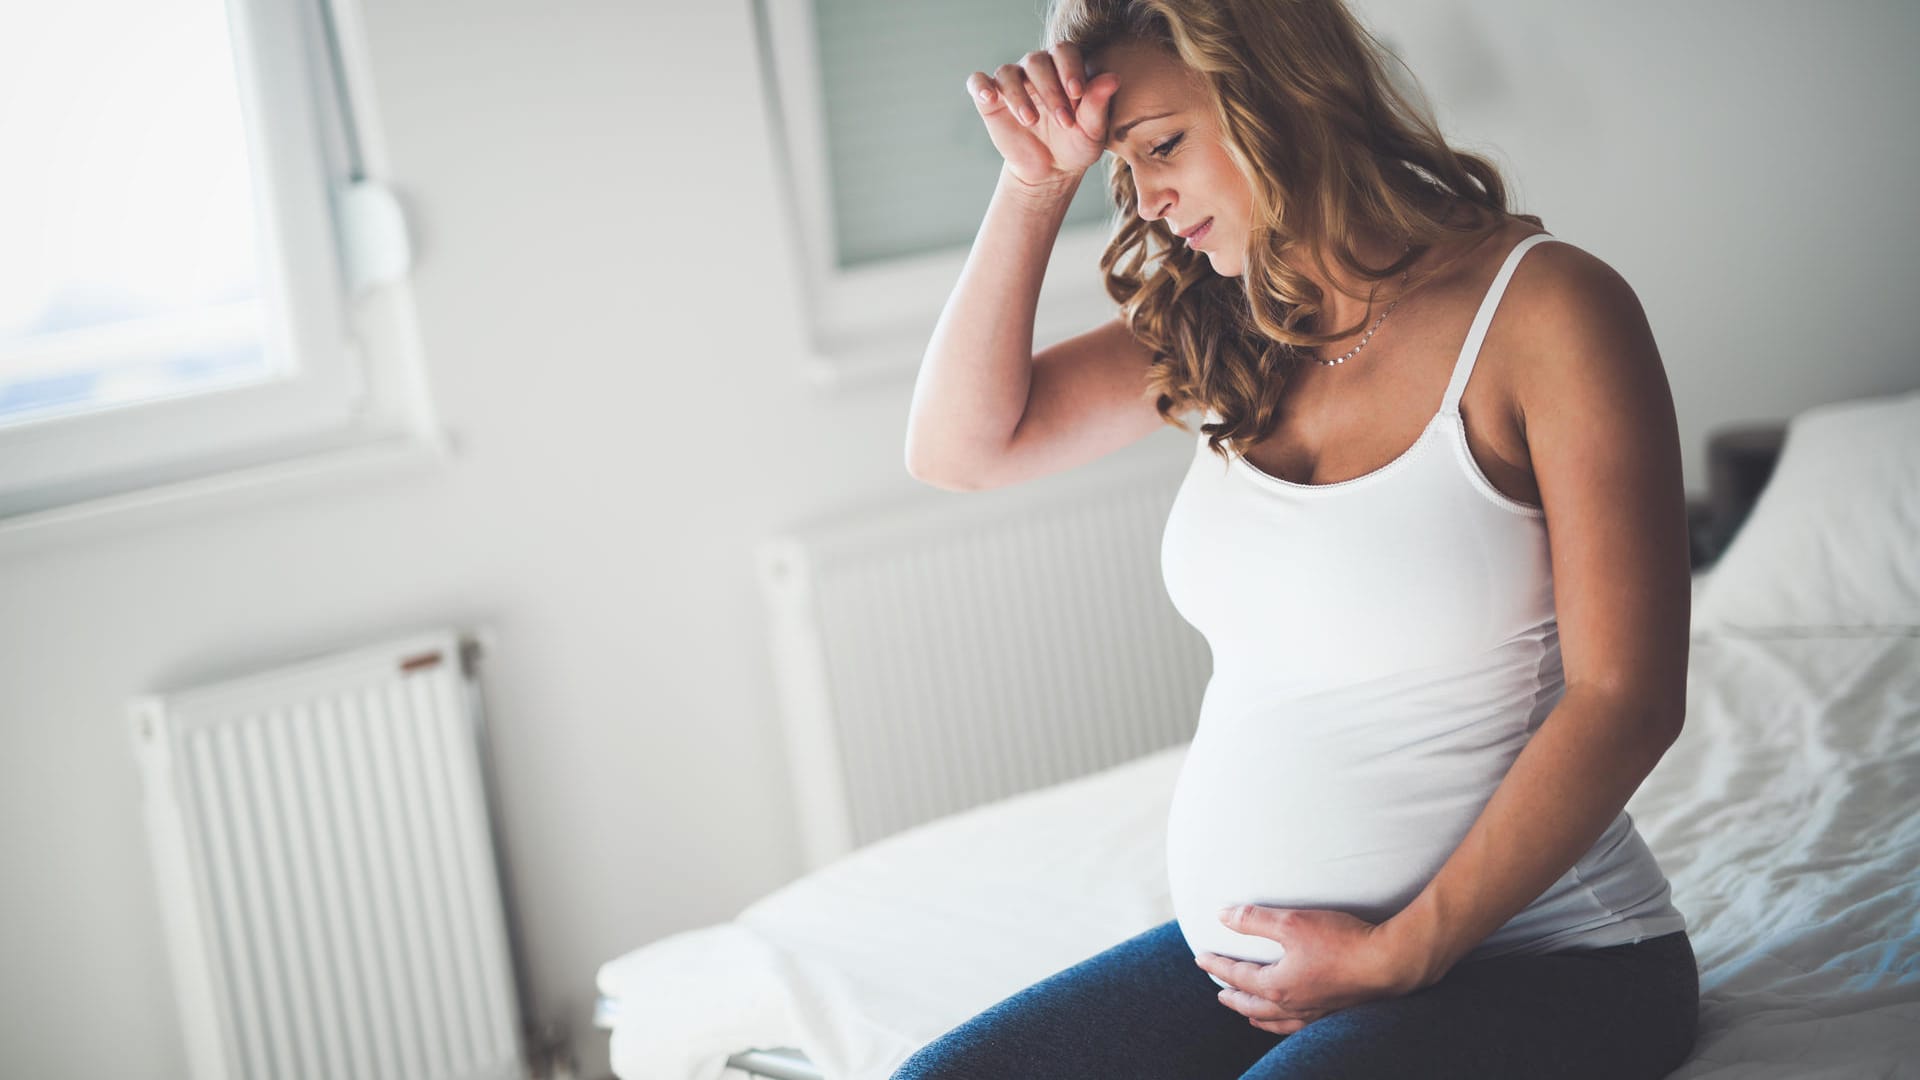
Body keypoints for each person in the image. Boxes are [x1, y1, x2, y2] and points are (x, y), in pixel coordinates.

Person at [898, 0, 1702, 1077]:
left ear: (1278, 93)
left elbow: (1629, 700)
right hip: (1270, 977)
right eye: (1122, 171)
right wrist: (1037, 182)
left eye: (1164, 146)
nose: (1146, 198)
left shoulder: (1550, 314)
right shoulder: (1232, 319)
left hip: (1546, 962)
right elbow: (962, 449)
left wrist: (1401, 954)